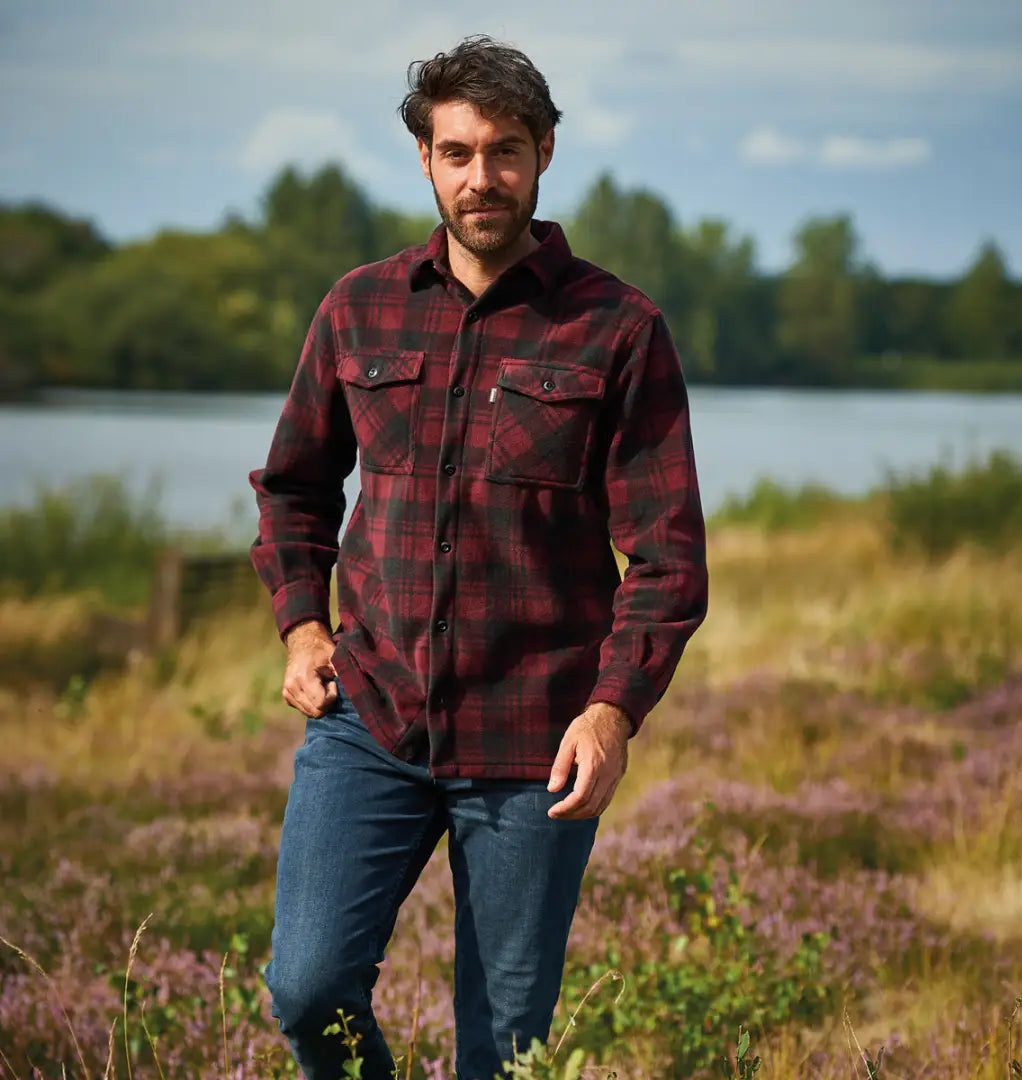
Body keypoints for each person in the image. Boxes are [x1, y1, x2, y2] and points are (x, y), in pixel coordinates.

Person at [249, 35, 708, 1080]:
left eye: (505, 151)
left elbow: (670, 558)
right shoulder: (358, 306)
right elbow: (293, 488)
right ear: (424, 159)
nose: (481, 177)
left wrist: (611, 712)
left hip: (534, 740)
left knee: (500, 1048)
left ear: (545, 153)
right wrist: (302, 622)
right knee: (308, 988)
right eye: (457, 152)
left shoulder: (620, 328)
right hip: (369, 716)